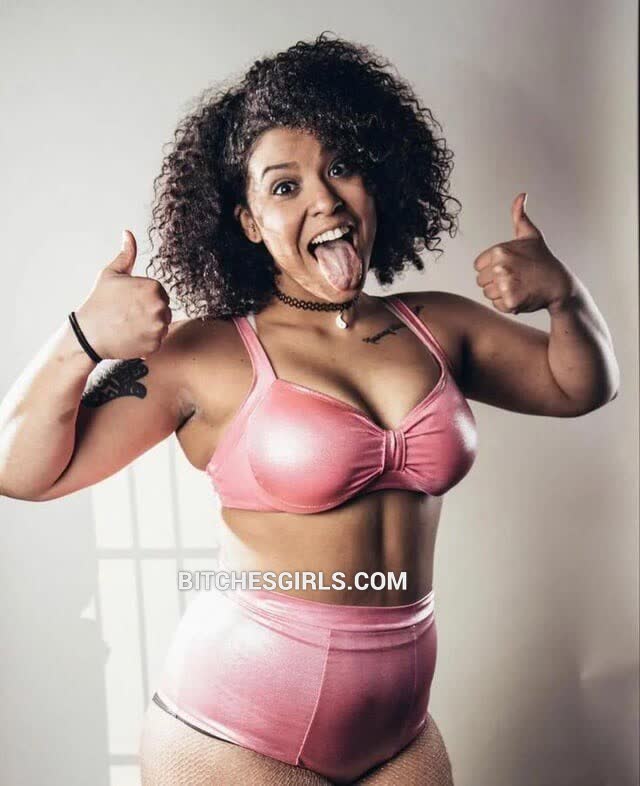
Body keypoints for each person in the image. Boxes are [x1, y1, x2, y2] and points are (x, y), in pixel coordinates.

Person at [0, 33, 619, 786]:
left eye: (341, 167)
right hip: (233, 737)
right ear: (248, 222)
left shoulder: (435, 324)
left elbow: (578, 386)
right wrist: (80, 340)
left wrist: (565, 297)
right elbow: (22, 473)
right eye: (285, 186)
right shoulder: (206, 355)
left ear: (376, 182)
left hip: (399, 737)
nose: (324, 198)